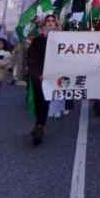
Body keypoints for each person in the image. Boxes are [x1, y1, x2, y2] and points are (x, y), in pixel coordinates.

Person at [26, 14, 58, 146]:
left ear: (56, 24)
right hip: (38, 76)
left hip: (53, 76)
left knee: (46, 101)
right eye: (48, 21)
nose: (50, 23)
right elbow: (31, 58)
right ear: (44, 25)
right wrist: (37, 73)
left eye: (53, 21)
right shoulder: (38, 40)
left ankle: (40, 125)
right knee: (38, 101)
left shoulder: (62, 40)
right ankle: (38, 123)